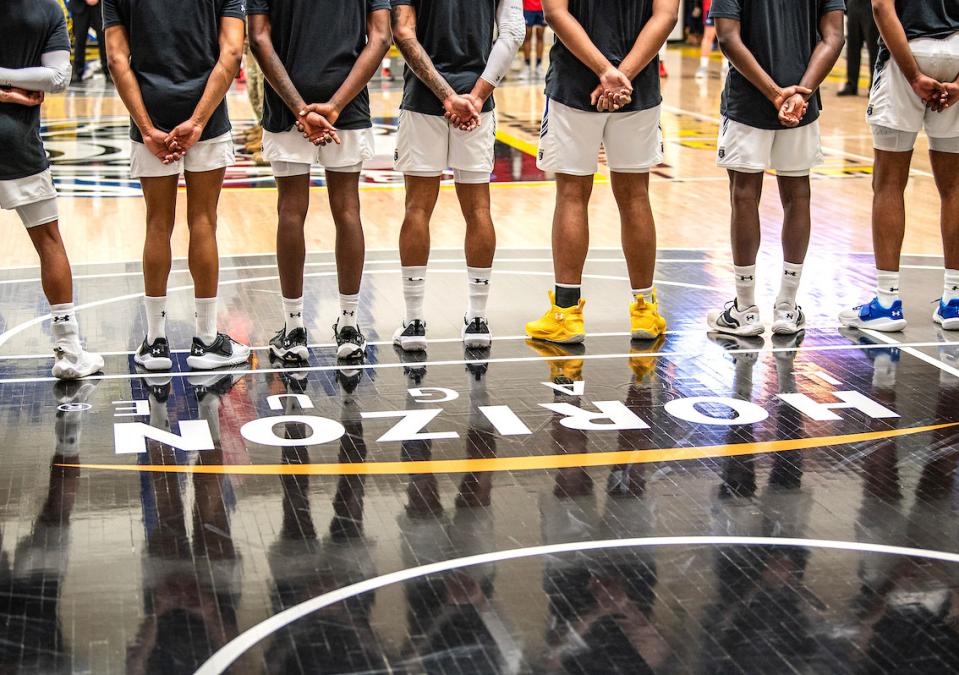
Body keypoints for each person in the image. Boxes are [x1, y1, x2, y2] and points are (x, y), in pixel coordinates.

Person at [104, 0, 251, 371]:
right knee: (203, 220)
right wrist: (199, 122)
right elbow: (232, 52)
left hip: (149, 112)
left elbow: (117, 60)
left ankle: (155, 342)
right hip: (208, 114)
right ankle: (205, 339)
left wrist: (147, 127)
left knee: (157, 223)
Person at [526, 0, 678, 345]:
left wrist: (604, 72)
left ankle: (565, 314)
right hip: (637, 88)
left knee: (571, 196)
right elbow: (666, 15)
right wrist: (622, 75)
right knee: (636, 195)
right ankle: (644, 310)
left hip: (573, 85)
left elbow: (555, 12)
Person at [248, 0, 392, 362]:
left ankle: (294, 329)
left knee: (291, 212)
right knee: (347, 210)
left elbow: (259, 37)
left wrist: (298, 107)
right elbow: (380, 37)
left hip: (285, 106)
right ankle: (349, 326)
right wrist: (338, 105)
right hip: (348, 103)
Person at [390, 0, 525, 352]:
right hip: (476, 105)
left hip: (423, 99)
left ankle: (415, 322)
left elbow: (403, 32)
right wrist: (477, 96)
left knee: (417, 208)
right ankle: (478, 319)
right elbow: (513, 32)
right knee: (478, 209)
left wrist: (447, 97)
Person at [706, 0, 845, 337]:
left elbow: (726, 36)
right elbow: (834, 36)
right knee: (798, 197)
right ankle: (786, 307)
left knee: (744, 196)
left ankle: (745, 309)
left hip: (748, 102)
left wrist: (773, 94)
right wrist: (802, 92)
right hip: (802, 103)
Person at [841, 0, 959, 332]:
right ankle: (955, 300)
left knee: (889, 182)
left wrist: (914, 74)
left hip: (906, 49)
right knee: (954, 187)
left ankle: (887, 301)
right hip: (957, 49)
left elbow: (880, 6)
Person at [0, 0, 103, 379]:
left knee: (49, 241)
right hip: (17, 142)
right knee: (49, 240)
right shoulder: (50, 8)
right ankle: (69, 352)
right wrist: (10, 90)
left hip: (17, 141)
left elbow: (59, 80)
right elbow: (57, 77)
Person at [838, 0, 879, 96]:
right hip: (853, 5)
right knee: (852, 48)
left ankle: (873, 85)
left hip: (871, 5)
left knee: (874, 49)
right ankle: (851, 84)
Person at [68, 0, 110, 85]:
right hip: (79, 5)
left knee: (104, 40)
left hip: (101, 6)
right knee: (79, 40)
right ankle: (77, 72)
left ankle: (108, 72)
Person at [695, 0, 730, 80]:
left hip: (727, 6)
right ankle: (703, 66)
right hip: (710, 6)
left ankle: (725, 66)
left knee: (724, 37)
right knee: (708, 36)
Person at [522, 0, 547, 80]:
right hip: (527, 8)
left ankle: (539, 66)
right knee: (527, 37)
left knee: (540, 36)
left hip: (542, 7)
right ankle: (527, 65)